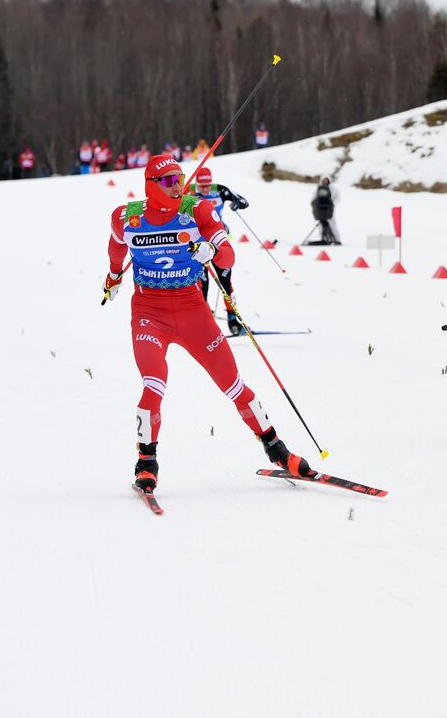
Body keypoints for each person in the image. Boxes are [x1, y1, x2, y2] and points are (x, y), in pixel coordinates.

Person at [103, 154, 315, 495]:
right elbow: (116, 249)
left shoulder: (197, 210)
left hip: (192, 311)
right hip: (149, 312)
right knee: (153, 384)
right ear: (151, 186)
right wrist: (113, 277)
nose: (177, 186)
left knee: (234, 386)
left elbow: (228, 254)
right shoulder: (126, 217)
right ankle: (146, 463)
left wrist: (211, 251)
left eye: (179, 178)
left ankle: (277, 450)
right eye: (170, 181)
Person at [193, 166, 250, 335]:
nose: (205, 189)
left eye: (207, 185)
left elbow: (244, 201)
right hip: (199, 246)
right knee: (202, 284)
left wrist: (236, 204)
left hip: (218, 244)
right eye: (201, 186)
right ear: (196, 184)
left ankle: (233, 319)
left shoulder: (220, 191)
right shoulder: (188, 193)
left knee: (225, 282)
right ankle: (203, 322)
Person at [308, 176, 341, 245]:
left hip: (329, 210)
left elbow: (337, 198)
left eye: (326, 180)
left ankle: (337, 239)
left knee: (332, 224)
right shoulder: (318, 189)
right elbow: (313, 199)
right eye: (324, 180)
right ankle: (323, 238)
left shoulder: (333, 189)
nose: (325, 181)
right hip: (320, 210)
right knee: (321, 224)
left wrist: (332, 205)